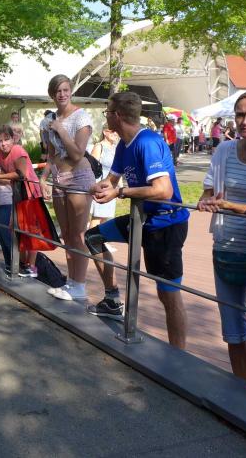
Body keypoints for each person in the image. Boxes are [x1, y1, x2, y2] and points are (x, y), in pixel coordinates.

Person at [85, 92, 190, 349]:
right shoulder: (124, 144)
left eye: (107, 113)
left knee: (168, 294)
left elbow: (163, 190)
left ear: (117, 116)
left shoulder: (147, 142)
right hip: (141, 219)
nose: (106, 117)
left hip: (165, 225)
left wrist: (120, 192)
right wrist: (98, 187)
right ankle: (112, 299)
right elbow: (111, 180)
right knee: (93, 237)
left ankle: (179, 355)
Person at [197, 90, 246, 384]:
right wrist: (206, 201)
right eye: (240, 114)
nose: (245, 120)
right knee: (232, 331)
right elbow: (208, 193)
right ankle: (240, 391)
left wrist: (231, 206)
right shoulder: (224, 151)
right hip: (226, 249)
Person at [39, 74, 94, 302]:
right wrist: (43, 179)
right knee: (67, 234)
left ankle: (80, 285)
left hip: (79, 178)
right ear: (52, 95)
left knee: (78, 234)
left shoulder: (81, 117)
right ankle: (71, 282)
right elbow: (51, 155)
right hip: (59, 179)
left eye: (65, 90)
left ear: (70, 91)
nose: (61, 94)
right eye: (57, 91)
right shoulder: (48, 120)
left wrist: (61, 130)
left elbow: (77, 153)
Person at [0, 124, 40, 279]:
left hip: (30, 193)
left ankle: (32, 266)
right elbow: (6, 173)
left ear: (13, 139)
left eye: (7, 139)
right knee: (17, 229)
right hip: (17, 194)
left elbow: (21, 174)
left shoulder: (17, 151)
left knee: (31, 230)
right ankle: (21, 263)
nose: (3, 144)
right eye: (0, 141)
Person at [89, 128, 119, 229]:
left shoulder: (116, 147)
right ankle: (89, 237)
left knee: (104, 217)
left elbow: (118, 169)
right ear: (105, 132)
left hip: (112, 186)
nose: (116, 133)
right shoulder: (99, 146)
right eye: (113, 131)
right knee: (97, 217)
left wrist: (119, 187)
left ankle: (98, 237)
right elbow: (92, 168)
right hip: (100, 185)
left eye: (116, 131)